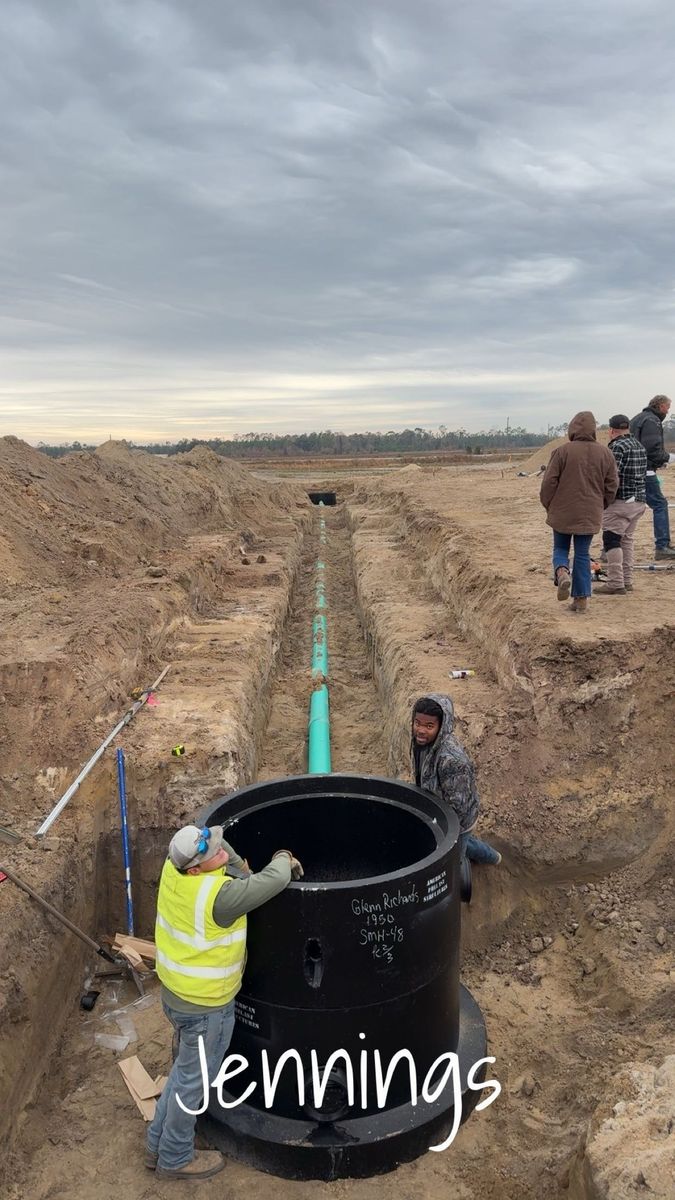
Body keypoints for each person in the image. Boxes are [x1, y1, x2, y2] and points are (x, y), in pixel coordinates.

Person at [146, 824, 303, 1181]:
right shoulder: (219, 898)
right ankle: (175, 1157)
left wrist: (236, 864)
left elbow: (217, 844)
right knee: (194, 1083)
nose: (222, 853)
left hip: (175, 996)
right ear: (197, 868)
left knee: (184, 1074)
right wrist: (283, 857)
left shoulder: (175, 869)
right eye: (213, 854)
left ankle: (156, 1142)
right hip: (206, 1010)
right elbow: (275, 880)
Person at [539, 411, 618, 613]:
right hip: (589, 512)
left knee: (560, 549)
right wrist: (601, 505)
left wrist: (550, 505)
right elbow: (612, 485)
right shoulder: (605, 454)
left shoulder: (561, 452)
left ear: (572, 429)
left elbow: (548, 483)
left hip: (562, 512)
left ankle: (562, 572)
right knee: (582, 554)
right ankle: (581, 600)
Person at [411, 694, 501, 867]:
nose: (421, 729)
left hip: (457, 821)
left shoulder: (452, 761)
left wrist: (443, 834)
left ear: (441, 726)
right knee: (466, 844)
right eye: (417, 723)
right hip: (440, 808)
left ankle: (478, 864)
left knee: (453, 859)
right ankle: (493, 857)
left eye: (429, 726)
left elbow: (458, 808)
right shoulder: (424, 742)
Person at [594, 415, 647, 596]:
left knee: (611, 539)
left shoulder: (616, 447)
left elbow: (611, 476)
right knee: (627, 540)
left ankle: (616, 583)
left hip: (621, 501)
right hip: (639, 500)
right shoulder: (639, 445)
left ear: (611, 430)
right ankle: (627, 580)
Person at [629, 395, 675, 559]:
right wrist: (669, 458)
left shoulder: (637, 419)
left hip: (631, 470)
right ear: (661, 406)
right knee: (660, 504)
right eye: (667, 407)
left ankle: (608, 549)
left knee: (625, 507)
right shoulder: (652, 421)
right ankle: (662, 546)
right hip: (645, 471)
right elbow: (652, 449)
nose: (668, 411)